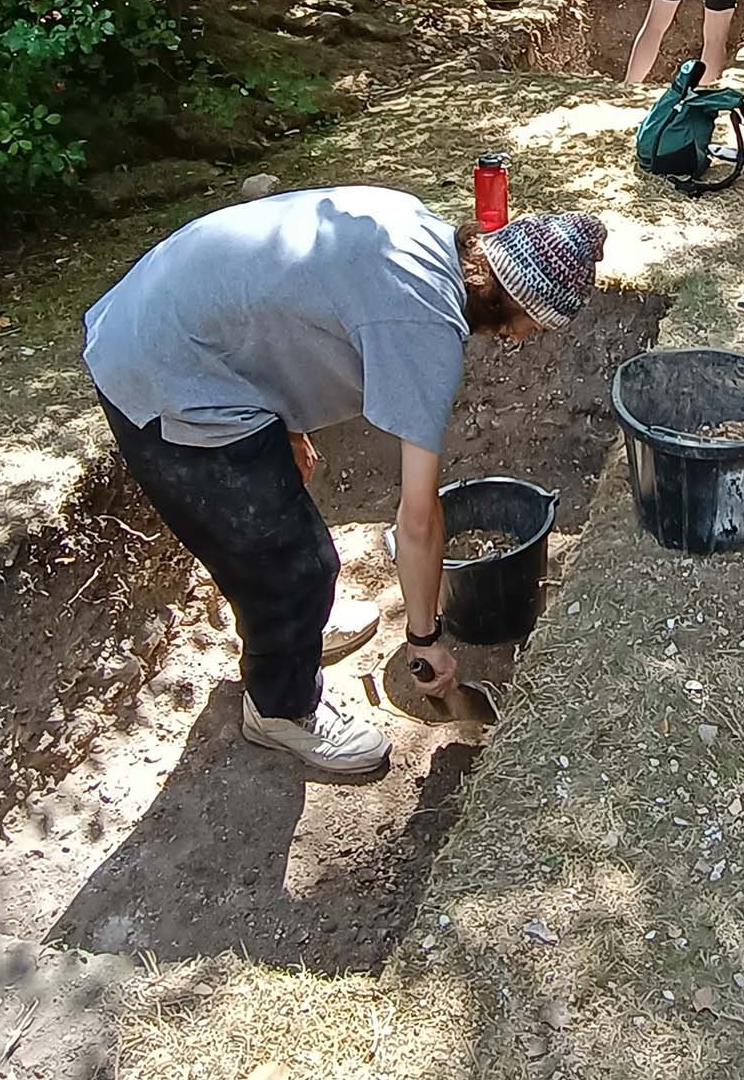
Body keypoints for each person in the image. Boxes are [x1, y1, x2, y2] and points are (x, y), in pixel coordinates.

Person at [82, 189, 607, 774]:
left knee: (284, 533)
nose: (524, 340)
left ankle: (294, 630)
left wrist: (285, 425)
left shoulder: (412, 225)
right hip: (162, 369)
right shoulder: (425, 326)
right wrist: (425, 636)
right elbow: (418, 519)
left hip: (170, 318)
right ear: (509, 302)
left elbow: (282, 302)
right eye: (533, 326)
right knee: (298, 567)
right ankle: (281, 709)